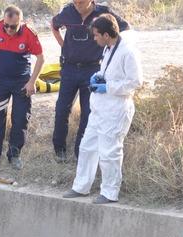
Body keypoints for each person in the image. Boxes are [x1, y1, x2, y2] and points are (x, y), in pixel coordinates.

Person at [63, 13, 142, 204]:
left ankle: (109, 192)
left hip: (116, 110)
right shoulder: (109, 48)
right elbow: (109, 71)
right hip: (100, 109)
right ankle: (81, 187)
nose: (94, 38)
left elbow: (135, 82)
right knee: (87, 147)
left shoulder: (127, 52)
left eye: (97, 35)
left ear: (107, 34)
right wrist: (99, 76)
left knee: (109, 152)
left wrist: (109, 87)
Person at [51, 0, 129, 161]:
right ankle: (59, 150)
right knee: (61, 110)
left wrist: (110, 52)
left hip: (92, 70)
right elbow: (54, 24)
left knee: (88, 112)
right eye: (75, 1)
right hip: (69, 68)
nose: (78, 3)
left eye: (81, 1)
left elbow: (124, 28)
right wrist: (64, 45)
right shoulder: (67, 12)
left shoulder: (103, 12)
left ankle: (81, 152)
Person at [0, 5, 44, 173]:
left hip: (21, 83)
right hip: (0, 82)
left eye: (13, 26)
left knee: (20, 119)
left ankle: (15, 154)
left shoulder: (29, 34)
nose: (9, 29)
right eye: (7, 25)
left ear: (21, 22)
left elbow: (40, 58)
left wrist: (32, 82)